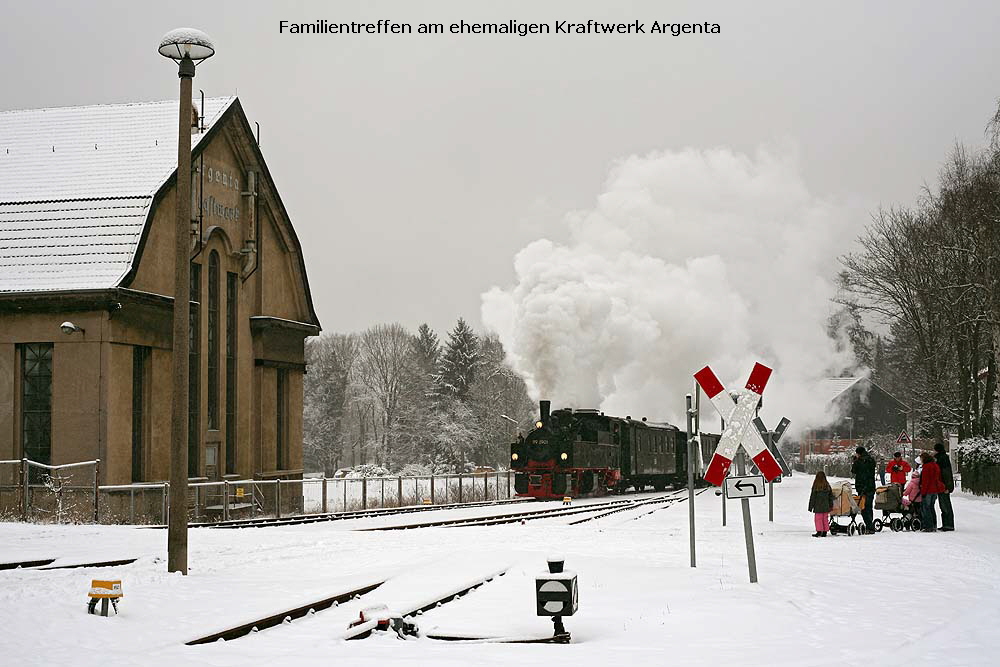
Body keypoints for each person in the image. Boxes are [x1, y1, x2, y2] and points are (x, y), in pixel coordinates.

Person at [918, 451, 946, 532]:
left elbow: (925, 481)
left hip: (928, 490)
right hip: (935, 490)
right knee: (931, 507)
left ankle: (928, 526)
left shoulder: (926, 467)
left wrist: (923, 492)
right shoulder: (935, 465)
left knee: (926, 508)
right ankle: (934, 525)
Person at [851, 446, 877, 533]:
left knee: (863, 507)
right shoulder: (871, 460)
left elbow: (853, 471)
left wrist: (855, 461)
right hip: (871, 486)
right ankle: (870, 525)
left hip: (862, 486)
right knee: (869, 506)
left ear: (858, 453)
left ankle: (870, 527)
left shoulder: (859, 461)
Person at [934, 442, 955, 531]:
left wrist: (947, 487)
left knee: (945, 505)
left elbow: (946, 474)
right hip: (943, 485)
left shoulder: (942, 459)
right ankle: (947, 524)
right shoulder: (943, 457)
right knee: (944, 505)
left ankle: (948, 525)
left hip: (943, 486)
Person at [808, 471, 835, 537]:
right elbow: (830, 497)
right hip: (826, 506)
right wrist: (831, 505)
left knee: (818, 519)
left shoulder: (816, 486)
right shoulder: (827, 485)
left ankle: (819, 531)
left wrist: (810, 506)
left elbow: (813, 497)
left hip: (818, 506)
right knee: (825, 518)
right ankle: (825, 531)